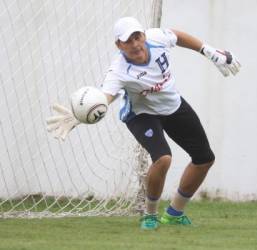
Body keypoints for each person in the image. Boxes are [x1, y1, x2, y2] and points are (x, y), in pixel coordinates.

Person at [46, 17, 241, 230]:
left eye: (137, 37)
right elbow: (105, 98)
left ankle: (174, 213)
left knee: (204, 159)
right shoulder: (118, 70)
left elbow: (178, 36)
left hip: (172, 105)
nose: (135, 44)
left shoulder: (157, 38)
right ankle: (150, 215)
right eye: (127, 41)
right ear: (118, 45)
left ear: (144, 36)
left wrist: (208, 51)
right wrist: (79, 116)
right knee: (163, 159)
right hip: (141, 115)